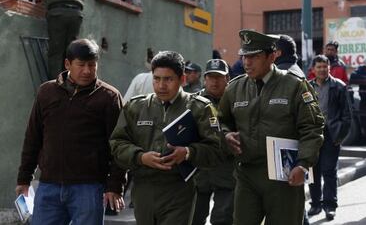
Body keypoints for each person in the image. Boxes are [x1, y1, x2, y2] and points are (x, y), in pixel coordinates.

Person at [219, 29, 324, 225]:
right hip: (246, 174)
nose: (247, 63)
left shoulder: (294, 86)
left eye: (254, 56)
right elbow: (221, 121)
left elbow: (313, 128)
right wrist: (225, 135)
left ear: (272, 55)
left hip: (284, 177)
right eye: (244, 57)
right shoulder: (234, 88)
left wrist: (303, 164)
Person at [16, 39, 126, 225]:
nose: (87, 71)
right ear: (68, 64)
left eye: (92, 65)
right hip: (49, 187)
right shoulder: (47, 92)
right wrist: (24, 178)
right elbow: (33, 137)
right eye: (81, 65)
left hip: (89, 188)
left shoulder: (109, 97)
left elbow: (120, 145)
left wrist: (115, 185)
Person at [110, 51, 222, 225]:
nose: (161, 85)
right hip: (143, 189)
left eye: (168, 79)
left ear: (182, 79)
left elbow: (216, 151)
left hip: (179, 190)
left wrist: (187, 153)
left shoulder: (199, 108)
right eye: (157, 79)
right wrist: (140, 157)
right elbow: (117, 144)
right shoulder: (136, 107)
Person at [25, 0, 89, 79]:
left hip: (58, 12)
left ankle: (55, 85)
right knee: (71, 52)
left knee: (56, 51)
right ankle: (71, 83)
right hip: (76, 15)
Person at [307, 55, 351, 221]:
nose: (322, 70)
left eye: (325, 67)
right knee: (313, 171)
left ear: (329, 68)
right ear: (313, 69)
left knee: (329, 172)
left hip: (332, 135)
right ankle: (315, 204)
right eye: (319, 67)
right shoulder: (307, 87)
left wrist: (340, 136)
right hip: (312, 135)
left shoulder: (339, 87)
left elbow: (347, 116)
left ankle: (330, 206)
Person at [192, 59, 235, 225]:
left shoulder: (236, 102)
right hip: (199, 172)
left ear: (227, 79)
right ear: (204, 79)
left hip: (227, 172)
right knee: (194, 218)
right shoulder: (193, 102)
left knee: (222, 219)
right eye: (210, 77)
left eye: (219, 77)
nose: (214, 81)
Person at [274, 34, 310, 225]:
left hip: (284, 148)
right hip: (297, 146)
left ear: (278, 53)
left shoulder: (285, 75)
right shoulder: (298, 71)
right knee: (295, 204)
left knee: (289, 205)